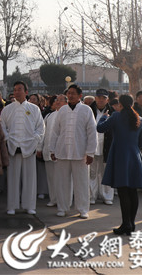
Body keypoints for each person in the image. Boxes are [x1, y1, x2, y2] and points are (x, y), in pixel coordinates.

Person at [97, 94, 142, 235]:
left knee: (123, 191)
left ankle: (126, 224)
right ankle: (131, 223)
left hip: (119, 156)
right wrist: (133, 146)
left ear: (120, 104)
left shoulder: (116, 116)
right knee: (132, 191)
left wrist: (104, 117)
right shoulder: (140, 118)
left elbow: (100, 128)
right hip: (135, 156)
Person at [49, 84, 97, 219]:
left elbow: (91, 132)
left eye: (73, 93)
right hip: (62, 151)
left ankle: (82, 209)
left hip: (80, 152)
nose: (70, 95)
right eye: (68, 93)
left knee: (81, 182)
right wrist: (52, 149)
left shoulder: (86, 110)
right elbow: (55, 132)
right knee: (62, 182)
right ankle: (62, 208)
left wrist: (91, 152)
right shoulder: (62, 110)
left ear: (80, 96)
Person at [0, 81, 44, 216]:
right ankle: (12, 206)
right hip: (13, 147)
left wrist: (35, 140)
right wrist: (7, 139)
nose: (17, 92)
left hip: (29, 147)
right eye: (15, 89)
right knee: (12, 178)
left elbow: (41, 128)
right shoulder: (7, 109)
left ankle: (29, 205)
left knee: (29, 178)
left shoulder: (34, 109)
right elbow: (2, 127)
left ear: (26, 91)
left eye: (20, 89)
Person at [89, 89, 114, 205]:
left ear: (107, 99)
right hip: (92, 146)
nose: (100, 100)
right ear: (95, 98)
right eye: (98, 97)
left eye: (103, 98)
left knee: (106, 173)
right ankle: (91, 196)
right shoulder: (89, 110)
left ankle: (107, 196)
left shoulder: (113, 111)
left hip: (107, 146)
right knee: (92, 173)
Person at [41, 94, 66, 208]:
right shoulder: (49, 116)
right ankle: (53, 199)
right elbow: (43, 133)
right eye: (56, 100)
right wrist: (40, 148)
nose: (58, 102)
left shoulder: (67, 115)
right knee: (51, 178)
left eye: (60, 100)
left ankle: (63, 200)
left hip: (61, 152)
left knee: (61, 179)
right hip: (48, 151)